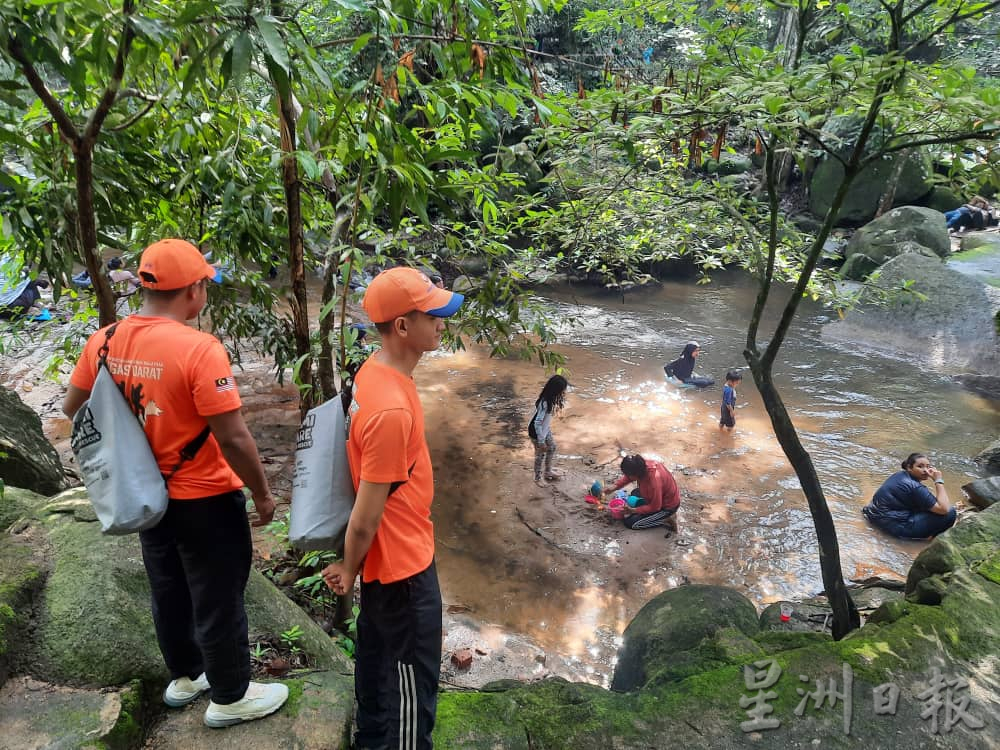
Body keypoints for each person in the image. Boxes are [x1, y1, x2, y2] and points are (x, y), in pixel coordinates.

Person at [62, 238, 288, 729]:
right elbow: (234, 437)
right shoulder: (200, 349)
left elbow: (73, 409)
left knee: (168, 588)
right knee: (218, 594)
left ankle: (186, 677)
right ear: (194, 290)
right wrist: (264, 494)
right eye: (205, 281)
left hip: (144, 493)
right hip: (204, 496)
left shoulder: (104, 340)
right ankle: (230, 696)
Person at [321, 266, 464, 750]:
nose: (443, 321)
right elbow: (365, 514)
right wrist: (349, 564)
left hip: (392, 566)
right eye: (433, 314)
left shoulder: (376, 371)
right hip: (403, 569)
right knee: (409, 690)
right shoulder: (391, 410)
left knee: (379, 668)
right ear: (403, 326)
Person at [862, 453, 957, 540]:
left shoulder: (899, 475)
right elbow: (944, 509)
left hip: (874, 518)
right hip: (896, 529)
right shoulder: (915, 487)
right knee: (950, 512)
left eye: (928, 467)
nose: (925, 470)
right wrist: (938, 480)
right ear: (909, 467)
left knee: (930, 506)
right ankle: (928, 541)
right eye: (920, 466)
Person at [603, 454, 681, 532]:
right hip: (658, 495)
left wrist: (633, 510)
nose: (627, 477)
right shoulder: (641, 465)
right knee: (635, 492)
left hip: (667, 507)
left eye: (628, 475)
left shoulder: (654, 481)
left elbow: (655, 507)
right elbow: (629, 477)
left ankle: (667, 518)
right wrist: (614, 487)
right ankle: (647, 511)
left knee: (630, 523)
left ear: (635, 475)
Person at [530, 374, 568, 486]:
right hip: (537, 432)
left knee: (552, 447)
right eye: (562, 390)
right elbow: (537, 423)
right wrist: (541, 441)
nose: (563, 392)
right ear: (555, 390)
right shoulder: (545, 403)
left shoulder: (551, 399)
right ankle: (537, 478)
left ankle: (547, 471)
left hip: (545, 429)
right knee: (540, 455)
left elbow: (545, 419)